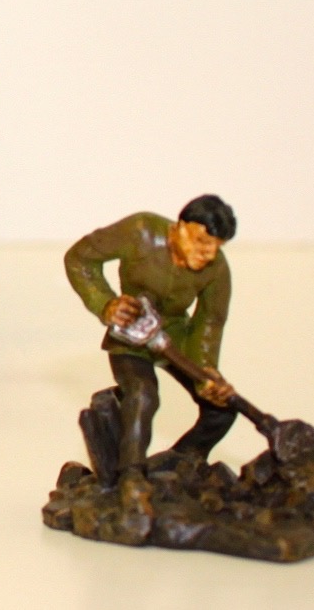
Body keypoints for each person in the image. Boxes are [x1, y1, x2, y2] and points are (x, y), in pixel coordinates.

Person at [64, 194, 238, 476]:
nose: (208, 253)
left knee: (222, 408)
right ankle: (131, 476)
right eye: (201, 241)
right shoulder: (140, 231)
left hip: (177, 338)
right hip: (132, 334)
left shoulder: (216, 268)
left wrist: (205, 369)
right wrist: (106, 304)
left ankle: (182, 461)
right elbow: (80, 258)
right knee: (143, 395)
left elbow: (210, 320)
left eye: (216, 247)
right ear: (180, 227)